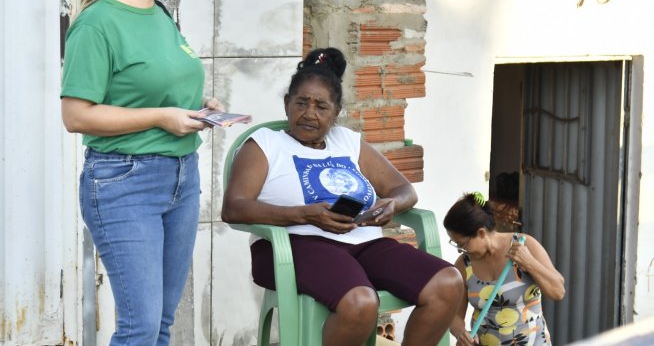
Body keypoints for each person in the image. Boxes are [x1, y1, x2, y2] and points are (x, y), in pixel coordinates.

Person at [222, 47, 463, 346]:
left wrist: (391, 204)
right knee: (361, 302)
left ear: (336, 113)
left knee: (448, 283)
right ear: (287, 104)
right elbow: (233, 208)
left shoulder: (348, 141)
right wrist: (305, 214)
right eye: (301, 103)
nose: (309, 113)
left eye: (321, 107)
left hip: (364, 242)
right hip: (294, 244)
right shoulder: (264, 144)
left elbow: (404, 190)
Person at [61, 0, 222, 346]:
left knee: (161, 325)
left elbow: (158, 87)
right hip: (123, 182)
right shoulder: (96, 24)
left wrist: (197, 106)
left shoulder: (160, 16)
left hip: (181, 180)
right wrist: (161, 117)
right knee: (141, 328)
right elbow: (76, 116)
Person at [444, 193, 566, 345]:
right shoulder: (464, 264)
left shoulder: (523, 245)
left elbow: (558, 291)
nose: (460, 250)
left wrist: (529, 263)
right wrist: (461, 333)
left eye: (463, 244)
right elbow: (454, 315)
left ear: (481, 233)